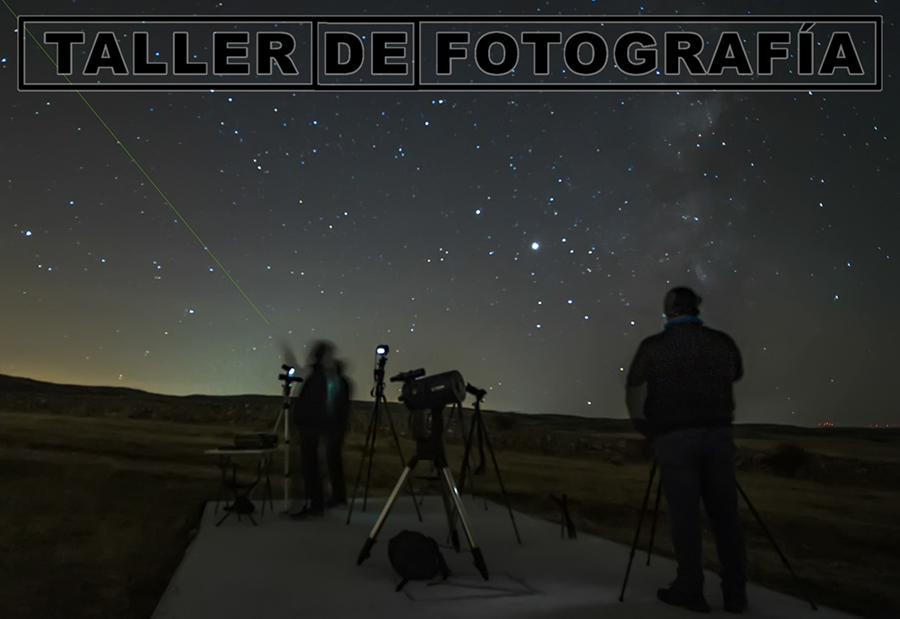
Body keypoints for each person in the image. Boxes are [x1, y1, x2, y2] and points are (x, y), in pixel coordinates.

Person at [625, 287, 748, 614]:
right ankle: (736, 593)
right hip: (718, 436)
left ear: (668, 312)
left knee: (685, 517)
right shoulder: (721, 342)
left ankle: (690, 587)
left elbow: (634, 388)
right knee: (725, 517)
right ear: (696, 308)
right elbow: (736, 372)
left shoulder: (654, 348)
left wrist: (647, 431)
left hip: (674, 439)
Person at [289, 340, 335, 519]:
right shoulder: (320, 375)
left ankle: (315, 505)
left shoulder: (318, 377)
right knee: (311, 467)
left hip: (310, 428)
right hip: (311, 428)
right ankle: (315, 503)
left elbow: (312, 405)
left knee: (311, 468)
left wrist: (302, 419)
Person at [323, 359, 353, 508]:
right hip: (335, 427)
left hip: (335, 428)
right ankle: (337, 495)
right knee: (333, 461)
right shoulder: (339, 383)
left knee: (333, 461)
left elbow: (338, 406)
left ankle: (337, 495)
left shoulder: (339, 383)